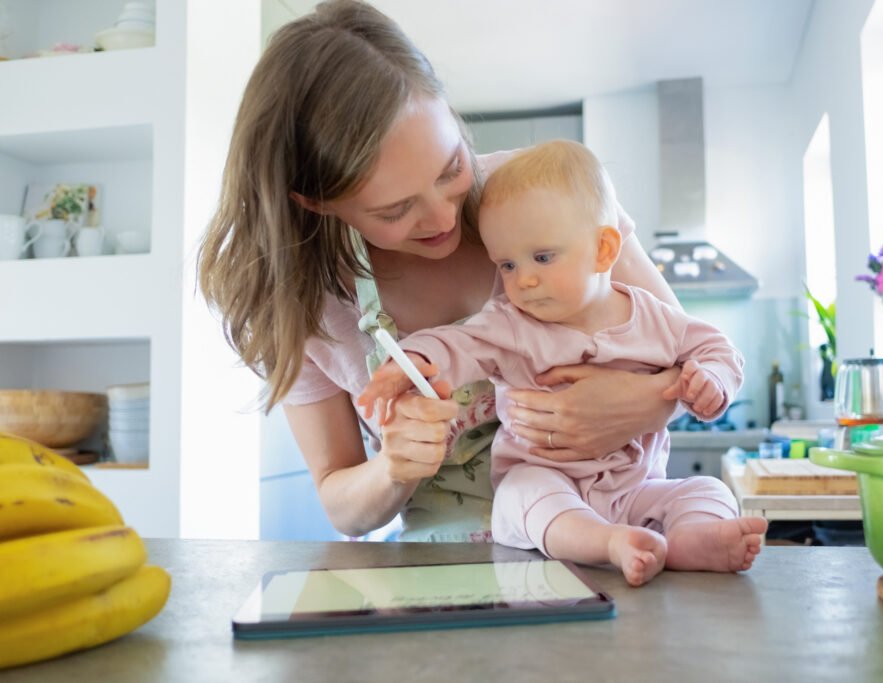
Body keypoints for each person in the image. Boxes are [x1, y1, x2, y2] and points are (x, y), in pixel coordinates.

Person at [196, 0, 690, 543]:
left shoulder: (548, 196)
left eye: (450, 168)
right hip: (447, 581)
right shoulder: (305, 303)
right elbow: (341, 504)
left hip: (618, 545)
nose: (442, 217)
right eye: (394, 210)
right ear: (316, 202)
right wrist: (392, 468)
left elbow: (691, 351)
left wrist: (641, 405)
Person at [358, 141, 768, 586]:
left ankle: (692, 540)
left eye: (543, 257)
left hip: (637, 490)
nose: (524, 279)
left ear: (604, 249)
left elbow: (719, 350)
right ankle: (607, 543)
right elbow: (459, 343)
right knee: (520, 495)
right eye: (508, 265)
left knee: (709, 490)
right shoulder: (511, 323)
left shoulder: (655, 318)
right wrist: (415, 359)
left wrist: (711, 381)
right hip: (548, 486)